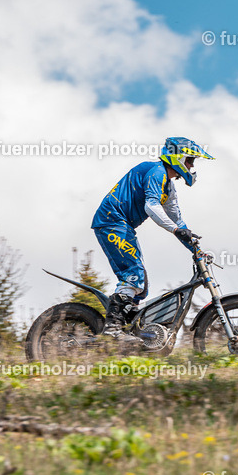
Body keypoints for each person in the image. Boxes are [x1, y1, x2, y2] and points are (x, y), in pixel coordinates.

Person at [90, 136, 214, 336]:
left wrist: (197, 250)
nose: (191, 165)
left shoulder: (169, 187)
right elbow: (152, 206)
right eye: (190, 160)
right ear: (178, 158)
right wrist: (175, 230)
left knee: (141, 285)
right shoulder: (156, 172)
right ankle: (113, 328)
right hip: (111, 221)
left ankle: (128, 327)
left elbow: (178, 222)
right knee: (133, 275)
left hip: (122, 225)